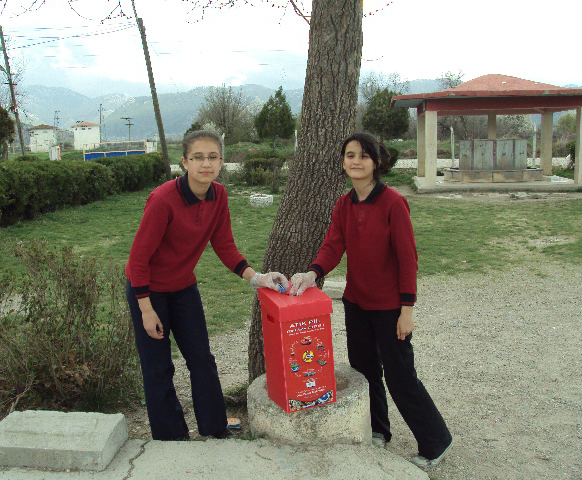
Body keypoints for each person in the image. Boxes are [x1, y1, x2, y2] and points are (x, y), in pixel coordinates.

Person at [290, 133, 452, 467]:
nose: (355, 161)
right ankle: (379, 430)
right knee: (365, 371)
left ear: (376, 162)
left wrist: (407, 310)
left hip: (390, 307)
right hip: (357, 303)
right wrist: (312, 273)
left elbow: (408, 259)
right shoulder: (343, 204)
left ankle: (436, 441)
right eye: (349, 155)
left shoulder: (393, 202)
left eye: (363, 156)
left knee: (400, 376)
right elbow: (333, 245)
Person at [126, 130, 288, 441]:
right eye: (198, 157)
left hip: (183, 287)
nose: (206, 164)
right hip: (147, 290)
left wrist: (257, 278)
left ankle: (214, 428)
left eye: (212, 157)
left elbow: (225, 246)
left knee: (201, 358)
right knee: (158, 367)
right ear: (184, 162)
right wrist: (146, 309)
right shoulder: (162, 200)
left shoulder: (219, 195)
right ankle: (170, 435)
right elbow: (137, 262)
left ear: (221, 161)